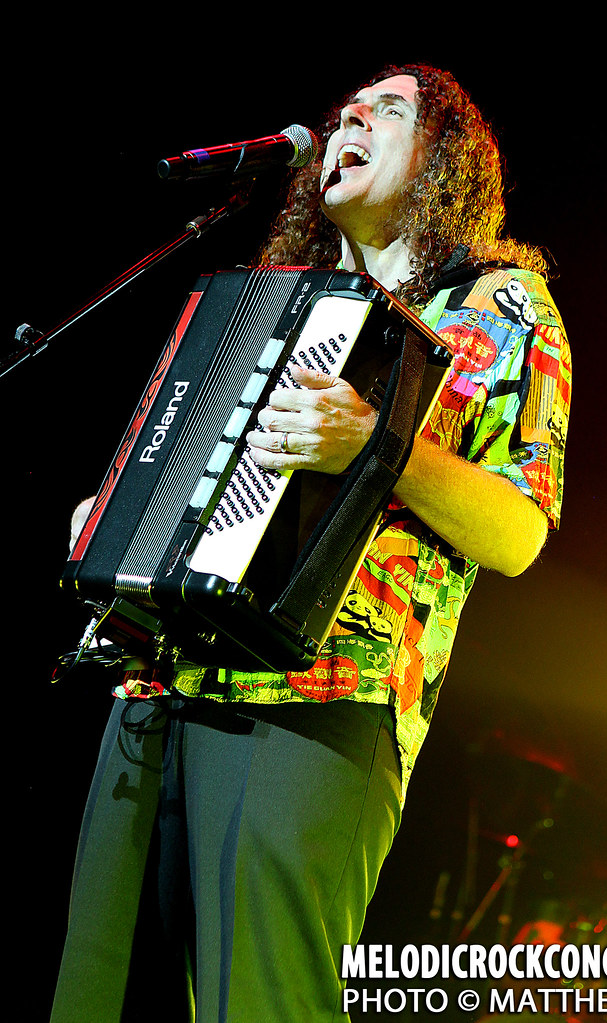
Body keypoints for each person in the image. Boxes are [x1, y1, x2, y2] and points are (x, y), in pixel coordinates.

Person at [51, 65, 571, 1022]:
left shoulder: (499, 308)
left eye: (390, 110)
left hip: (320, 701)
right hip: (158, 680)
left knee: (262, 1005)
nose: (351, 120)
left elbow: (517, 529)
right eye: (345, 114)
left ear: (444, 160)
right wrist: (117, 517)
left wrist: (382, 444)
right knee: (102, 999)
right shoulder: (267, 308)